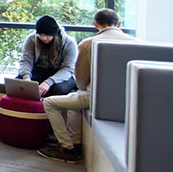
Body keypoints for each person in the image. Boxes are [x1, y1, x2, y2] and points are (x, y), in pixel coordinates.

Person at [38, 9, 136, 163]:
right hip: (129, 102)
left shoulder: (89, 44)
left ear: (95, 24)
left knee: (49, 103)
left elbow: (81, 82)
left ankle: (65, 147)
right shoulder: (135, 43)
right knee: (73, 101)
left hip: (95, 98)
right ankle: (74, 143)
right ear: (119, 24)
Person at [17, 15, 78, 97]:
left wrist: (49, 82)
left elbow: (68, 68)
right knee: (18, 84)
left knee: (58, 89)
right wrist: (26, 78)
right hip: (40, 70)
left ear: (54, 34)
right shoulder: (31, 39)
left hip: (62, 74)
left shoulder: (69, 43)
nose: (44, 38)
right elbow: (26, 60)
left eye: (47, 35)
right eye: (41, 35)